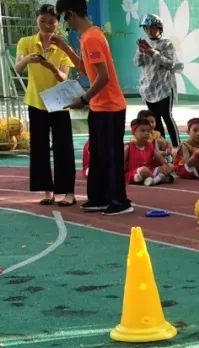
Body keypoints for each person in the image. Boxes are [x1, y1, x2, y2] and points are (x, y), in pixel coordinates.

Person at [54, 0, 131, 215]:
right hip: (99, 106)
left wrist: (84, 98)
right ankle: (98, 197)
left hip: (110, 106)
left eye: (63, 17)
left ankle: (119, 200)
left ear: (70, 14)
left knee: (111, 155)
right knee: (97, 154)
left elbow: (104, 77)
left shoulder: (92, 37)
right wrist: (65, 47)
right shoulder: (87, 37)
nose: (64, 22)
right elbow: (86, 68)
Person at [14, 4, 76, 206]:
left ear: (58, 24)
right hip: (36, 102)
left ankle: (68, 192)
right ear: (37, 21)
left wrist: (52, 67)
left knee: (63, 147)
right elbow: (18, 67)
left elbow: (64, 77)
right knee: (39, 147)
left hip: (58, 103)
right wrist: (29, 60)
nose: (47, 26)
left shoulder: (62, 47)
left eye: (51, 22)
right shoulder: (26, 42)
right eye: (43, 21)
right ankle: (47, 191)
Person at [134, 13, 179, 147]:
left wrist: (153, 52)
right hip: (149, 88)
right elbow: (137, 62)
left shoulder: (166, 43)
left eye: (152, 28)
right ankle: (163, 147)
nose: (149, 31)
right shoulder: (144, 43)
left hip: (164, 87)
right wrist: (142, 51)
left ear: (159, 28)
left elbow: (170, 63)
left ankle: (177, 147)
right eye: (146, 28)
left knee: (167, 116)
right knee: (155, 120)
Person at [125, 117, 172, 186]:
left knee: (170, 166)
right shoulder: (128, 147)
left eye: (148, 131)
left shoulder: (150, 146)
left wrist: (165, 165)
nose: (146, 133)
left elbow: (160, 158)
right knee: (144, 170)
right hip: (134, 173)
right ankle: (156, 179)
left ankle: (151, 180)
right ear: (133, 132)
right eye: (143, 131)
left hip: (150, 170)